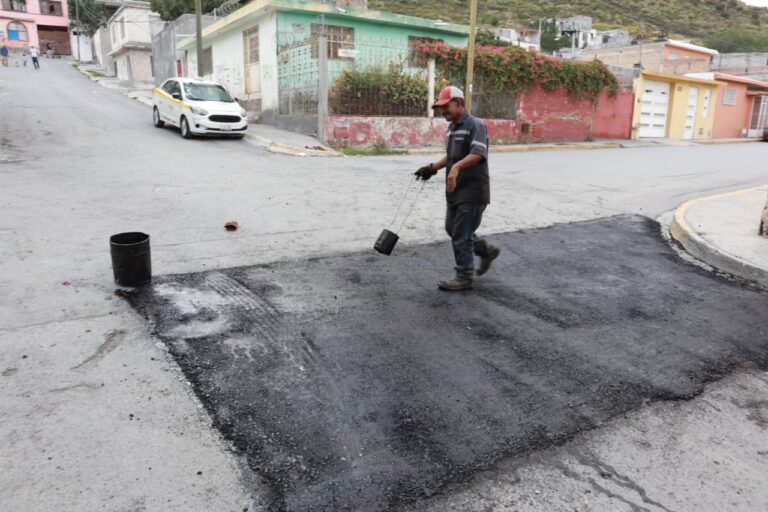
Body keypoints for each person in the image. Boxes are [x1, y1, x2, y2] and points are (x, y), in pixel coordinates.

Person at [415, 86, 500, 291]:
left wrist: (457, 168)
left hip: (472, 191)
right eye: (440, 108)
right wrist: (432, 168)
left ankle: (464, 276)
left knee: (461, 234)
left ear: (459, 103)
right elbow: (452, 157)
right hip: (455, 190)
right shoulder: (452, 128)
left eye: (446, 107)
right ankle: (485, 250)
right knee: (452, 229)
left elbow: (478, 153)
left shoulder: (475, 125)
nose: (442, 112)